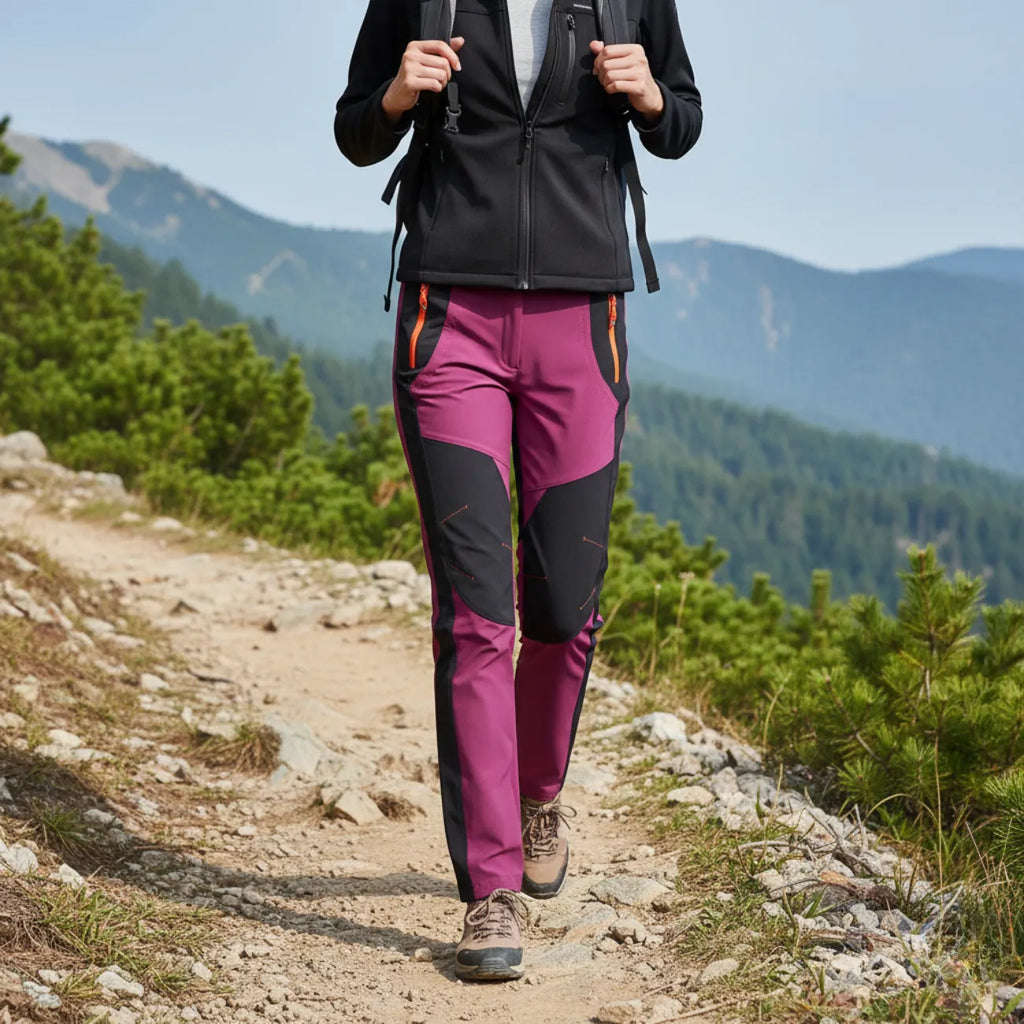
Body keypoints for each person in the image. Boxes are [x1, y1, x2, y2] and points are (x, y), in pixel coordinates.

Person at [335, 0, 701, 982]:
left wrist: (650, 96)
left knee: (563, 605)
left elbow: (682, 125)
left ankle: (539, 793)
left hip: (581, 322)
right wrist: (396, 94)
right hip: (448, 316)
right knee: (475, 614)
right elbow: (354, 132)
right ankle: (488, 888)